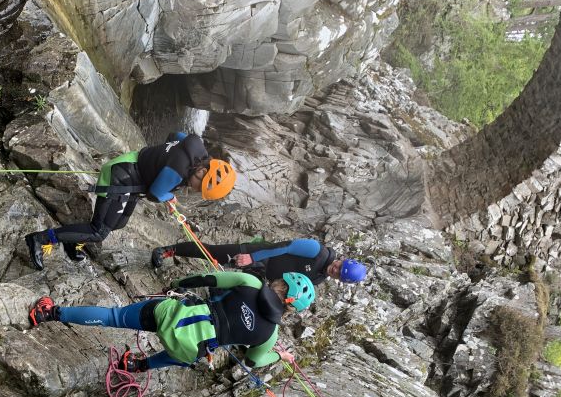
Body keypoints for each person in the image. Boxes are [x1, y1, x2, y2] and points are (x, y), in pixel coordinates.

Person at [28, 270, 315, 372]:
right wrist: (280, 356)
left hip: (174, 315)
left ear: (279, 282)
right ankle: (136, 365)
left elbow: (207, 279)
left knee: (113, 317)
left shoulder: (250, 282)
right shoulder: (269, 336)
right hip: (192, 348)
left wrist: (177, 283)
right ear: (291, 309)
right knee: (186, 354)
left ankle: (49, 313)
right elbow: (251, 363)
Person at [24, 132, 236, 269]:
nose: (195, 189)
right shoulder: (178, 170)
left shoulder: (197, 146)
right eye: (199, 185)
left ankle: (73, 242)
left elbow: (174, 135)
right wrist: (170, 196)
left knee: (120, 222)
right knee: (99, 231)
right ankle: (41, 239)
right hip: (121, 176)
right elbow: (155, 194)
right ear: (202, 171)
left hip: (133, 173)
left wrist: (158, 159)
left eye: (200, 191)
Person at [151, 237, 367, 285]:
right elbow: (283, 246)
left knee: (223, 282)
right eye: (340, 266)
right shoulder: (316, 250)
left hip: (260, 276)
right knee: (212, 253)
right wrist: (251, 257)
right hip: (259, 254)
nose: (335, 269)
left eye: (339, 273)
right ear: (343, 260)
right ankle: (168, 250)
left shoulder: (319, 278)